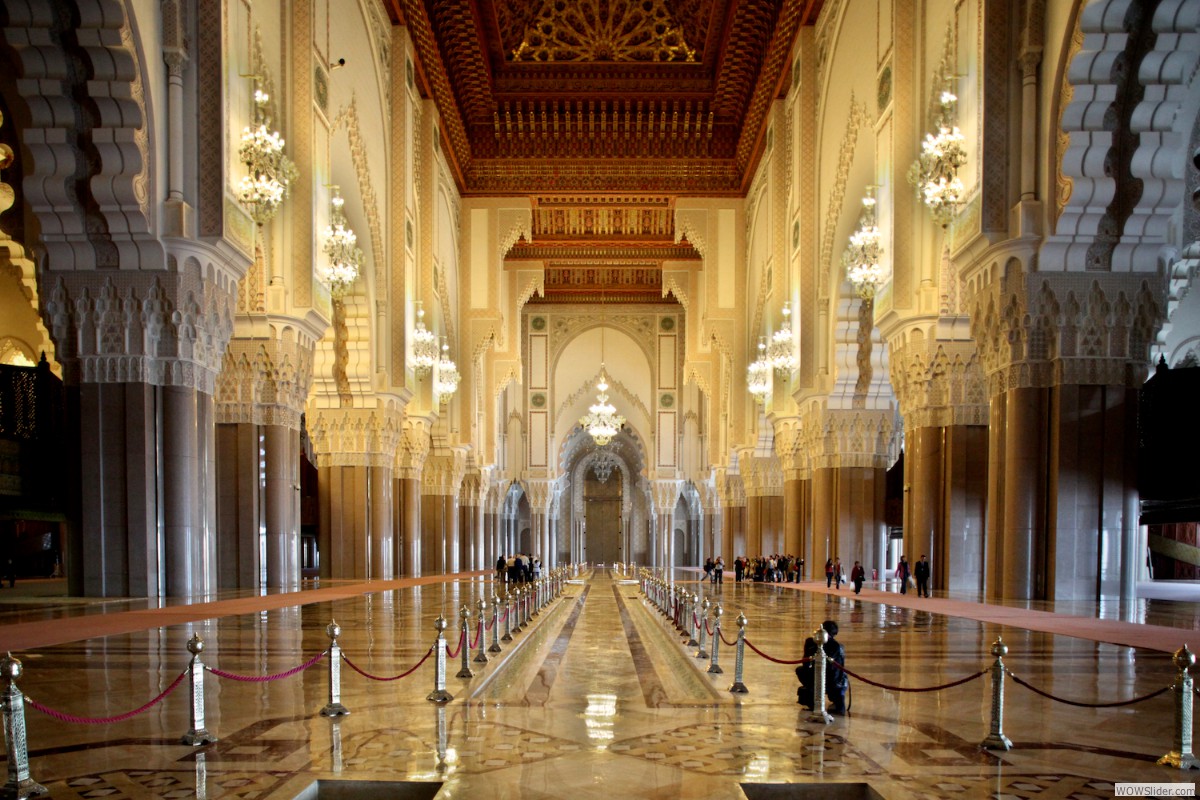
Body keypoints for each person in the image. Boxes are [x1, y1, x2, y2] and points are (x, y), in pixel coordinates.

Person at [822, 619, 848, 715]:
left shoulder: (811, 642)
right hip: (833, 681)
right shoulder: (837, 646)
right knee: (842, 678)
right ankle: (838, 700)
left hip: (815, 678)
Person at [795, 636, 818, 710]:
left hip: (830, 679)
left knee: (801, 670)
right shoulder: (839, 646)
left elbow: (805, 665)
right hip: (837, 680)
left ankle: (811, 699)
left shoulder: (812, 645)